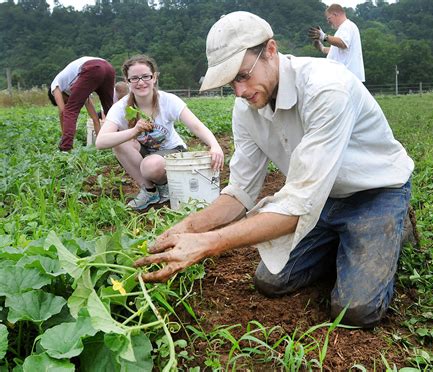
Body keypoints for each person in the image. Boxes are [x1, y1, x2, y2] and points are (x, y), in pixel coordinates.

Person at [134, 12, 414, 328]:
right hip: (322, 201)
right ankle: (343, 241)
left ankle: (392, 229)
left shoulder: (327, 88)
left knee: (355, 310)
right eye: (230, 83)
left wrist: (210, 243)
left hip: (374, 193)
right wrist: (190, 227)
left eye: (242, 76)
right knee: (271, 280)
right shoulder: (246, 109)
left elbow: (299, 206)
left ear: (270, 50)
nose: (239, 91)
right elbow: (240, 192)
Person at [95, 55, 224, 211]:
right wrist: (134, 131)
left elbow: (196, 125)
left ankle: (168, 186)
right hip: (144, 155)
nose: (141, 82)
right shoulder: (121, 107)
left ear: (154, 77)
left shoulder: (168, 101)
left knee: (151, 165)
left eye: (145, 76)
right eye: (134, 78)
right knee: (120, 144)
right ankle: (150, 191)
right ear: (128, 81)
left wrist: (215, 145)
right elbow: (100, 141)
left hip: (171, 153)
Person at [48, 56, 115, 151]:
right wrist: (100, 146)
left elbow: (63, 111)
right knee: (110, 110)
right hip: (108, 67)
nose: (66, 102)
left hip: (92, 68)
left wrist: (64, 135)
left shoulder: (54, 86)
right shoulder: (79, 86)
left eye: (65, 101)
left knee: (70, 110)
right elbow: (95, 118)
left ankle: (65, 149)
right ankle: (120, 142)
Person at [308, 4, 365, 82]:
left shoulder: (347, 26)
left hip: (347, 78)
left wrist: (324, 36)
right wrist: (322, 48)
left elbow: (343, 43)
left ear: (335, 14)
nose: (328, 22)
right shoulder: (344, 28)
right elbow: (337, 51)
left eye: (329, 18)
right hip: (345, 77)